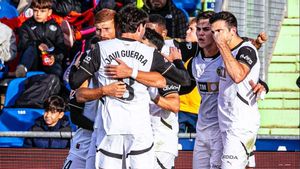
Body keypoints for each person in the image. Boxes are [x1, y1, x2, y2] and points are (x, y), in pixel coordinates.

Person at [68, 4, 190, 169]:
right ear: (141, 28)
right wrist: (176, 61)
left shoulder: (100, 49)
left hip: (110, 128)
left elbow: (74, 82)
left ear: (118, 26)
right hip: (139, 129)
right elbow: (184, 80)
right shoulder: (149, 52)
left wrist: (77, 66)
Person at [62, 8, 125, 169]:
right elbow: (77, 98)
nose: (102, 34)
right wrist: (104, 90)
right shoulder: (86, 57)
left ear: (117, 28)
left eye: (107, 29)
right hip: (86, 136)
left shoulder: (129, 55)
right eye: (98, 29)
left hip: (117, 137)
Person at [210, 11, 262, 169]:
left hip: (241, 124)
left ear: (232, 31)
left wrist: (222, 46)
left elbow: (238, 75)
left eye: (219, 31)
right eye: (213, 32)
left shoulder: (247, 50)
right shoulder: (225, 52)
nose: (215, 36)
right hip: (224, 123)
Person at [16, 0, 65, 78]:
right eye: (35, 10)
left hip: (49, 60)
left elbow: (61, 49)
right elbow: (22, 44)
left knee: (57, 73)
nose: (38, 14)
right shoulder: (26, 26)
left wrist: (54, 57)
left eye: (42, 11)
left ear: (49, 12)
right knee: (32, 45)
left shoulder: (56, 27)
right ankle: (23, 68)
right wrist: (38, 44)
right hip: (32, 61)